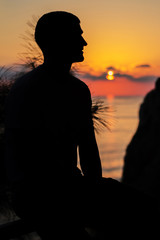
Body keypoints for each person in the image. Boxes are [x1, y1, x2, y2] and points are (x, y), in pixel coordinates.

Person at [5, 11, 160, 239]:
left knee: (146, 209)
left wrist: (97, 189)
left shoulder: (78, 90)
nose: (84, 42)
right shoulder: (27, 90)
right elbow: (24, 157)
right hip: (40, 196)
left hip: (72, 189)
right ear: (58, 40)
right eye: (77, 35)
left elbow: (88, 149)